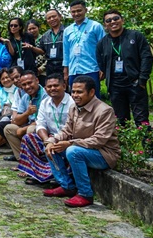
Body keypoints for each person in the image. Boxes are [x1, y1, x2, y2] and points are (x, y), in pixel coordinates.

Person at [43, 76, 120, 207]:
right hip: (82, 148)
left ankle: (85, 194)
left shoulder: (104, 111)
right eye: (73, 92)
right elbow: (66, 130)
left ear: (91, 92)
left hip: (104, 154)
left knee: (73, 152)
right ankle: (67, 186)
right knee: (51, 148)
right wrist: (51, 141)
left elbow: (99, 140)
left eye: (79, 92)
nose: (75, 95)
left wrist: (70, 143)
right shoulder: (74, 108)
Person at [96, 10, 153, 129]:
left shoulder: (135, 36)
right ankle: (124, 142)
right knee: (121, 121)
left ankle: (146, 142)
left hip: (135, 84)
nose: (113, 22)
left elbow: (146, 57)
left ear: (122, 20)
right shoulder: (103, 43)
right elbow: (101, 62)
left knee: (142, 120)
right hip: (115, 86)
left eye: (116, 18)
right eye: (108, 20)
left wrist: (142, 79)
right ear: (105, 25)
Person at [17, 74, 72, 184]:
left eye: (56, 85)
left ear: (64, 86)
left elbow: (72, 129)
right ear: (45, 88)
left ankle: (62, 178)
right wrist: (47, 141)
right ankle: (39, 174)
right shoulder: (45, 102)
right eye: (49, 86)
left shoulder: (72, 103)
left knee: (58, 148)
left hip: (66, 139)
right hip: (49, 138)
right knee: (28, 138)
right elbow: (40, 124)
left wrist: (54, 141)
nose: (52, 88)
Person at [2, 70, 49, 162]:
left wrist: (23, 129)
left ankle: (36, 162)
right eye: (24, 84)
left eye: (29, 83)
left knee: (30, 130)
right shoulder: (26, 97)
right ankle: (23, 161)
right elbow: (17, 121)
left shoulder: (45, 95)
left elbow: (45, 120)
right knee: (8, 128)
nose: (27, 87)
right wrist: (27, 113)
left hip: (43, 127)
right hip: (30, 124)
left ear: (37, 80)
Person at [63, 0, 104, 94]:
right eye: (73, 12)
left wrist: (102, 67)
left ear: (85, 10)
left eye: (79, 11)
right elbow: (66, 52)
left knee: (93, 96)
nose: (76, 14)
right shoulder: (67, 30)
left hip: (91, 69)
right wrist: (66, 71)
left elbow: (103, 48)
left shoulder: (95, 26)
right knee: (76, 97)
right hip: (74, 70)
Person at [38, 9, 65, 80]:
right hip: (50, 66)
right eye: (49, 18)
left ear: (60, 16)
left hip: (64, 65)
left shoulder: (67, 31)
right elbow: (42, 50)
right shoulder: (45, 35)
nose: (52, 19)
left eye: (54, 16)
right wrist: (31, 47)